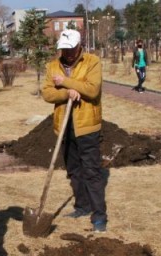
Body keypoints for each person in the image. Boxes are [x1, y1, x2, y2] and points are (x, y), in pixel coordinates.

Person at [41, 29, 108, 233]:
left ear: (80, 46)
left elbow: (92, 89)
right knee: (73, 170)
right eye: (64, 49)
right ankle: (82, 206)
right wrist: (67, 92)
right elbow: (47, 93)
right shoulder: (52, 66)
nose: (68, 53)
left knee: (92, 171)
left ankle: (99, 217)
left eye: (71, 49)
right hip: (63, 125)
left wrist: (65, 82)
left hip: (87, 125)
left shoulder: (92, 62)